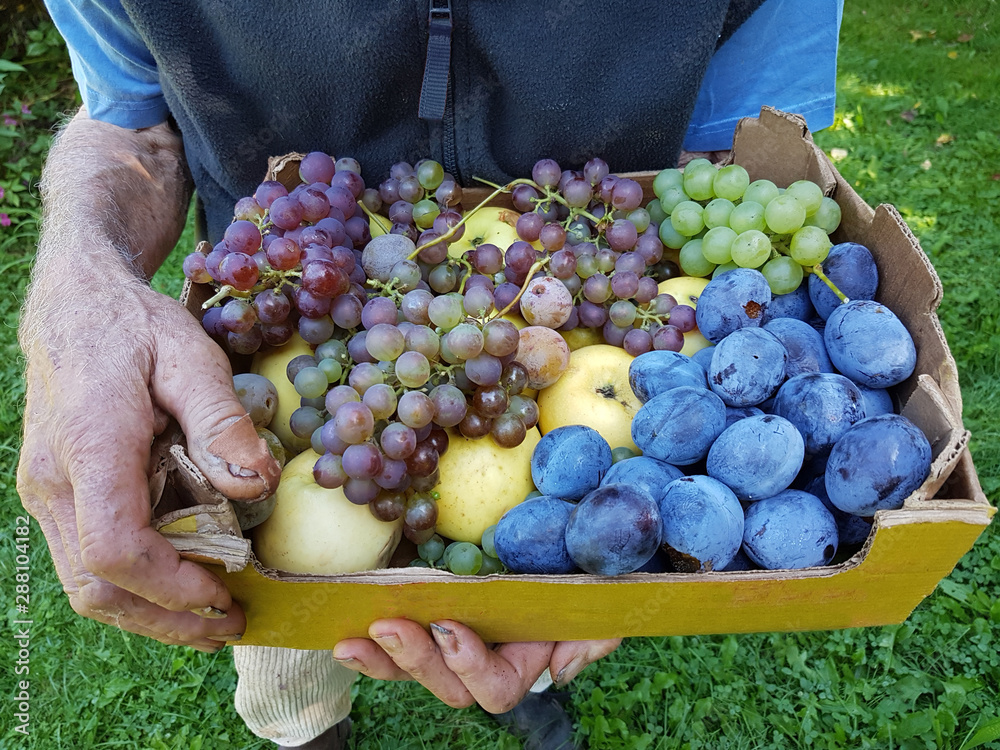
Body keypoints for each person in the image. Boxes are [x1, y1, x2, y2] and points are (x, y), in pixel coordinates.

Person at [18, 1, 842, 747]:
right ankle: (305, 725)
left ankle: (524, 686)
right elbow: (129, 123)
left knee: (520, 583)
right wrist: (78, 278)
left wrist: (625, 557)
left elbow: (736, 155)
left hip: (563, 299)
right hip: (294, 326)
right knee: (282, 631)